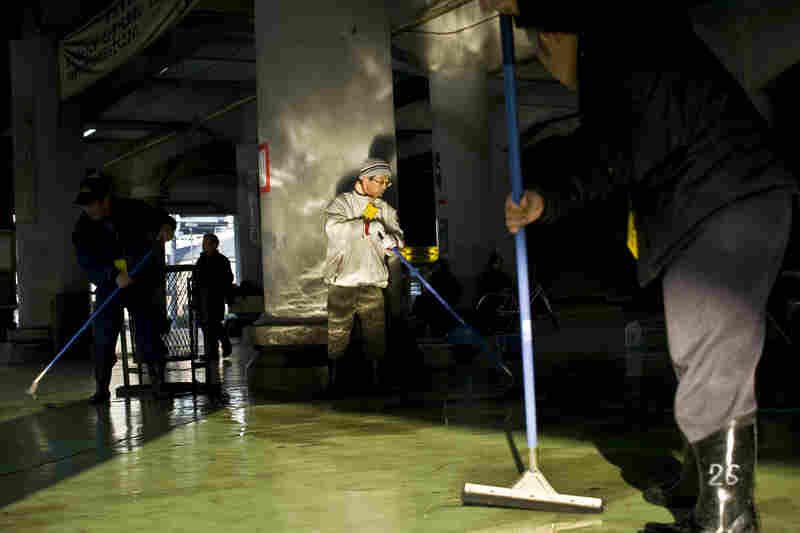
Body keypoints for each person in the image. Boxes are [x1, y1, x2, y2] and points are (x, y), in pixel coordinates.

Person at [485, 2, 798, 532]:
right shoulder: (628, 66)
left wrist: (521, 2)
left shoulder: (625, 36)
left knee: (710, 358)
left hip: (722, 203)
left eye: (541, 44)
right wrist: (548, 200)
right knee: (698, 356)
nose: (544, 59)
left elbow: (611, 149)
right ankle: (705, 490)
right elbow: (609, 149)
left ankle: (727, 519)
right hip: (720, 203)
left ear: (560, 34)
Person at [72, 171, 176, 403]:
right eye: (85, 205)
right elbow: (87, 262)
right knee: (103, 335)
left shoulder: (133, 209)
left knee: (148, 330)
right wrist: (110, 275)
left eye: (92, 204)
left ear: (106, 200)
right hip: (110, 284)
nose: (88, 209)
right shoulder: (83, 228)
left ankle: (158, 384)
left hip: (139, 279)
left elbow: (163, 219)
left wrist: (167, 226)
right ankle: (101, 389)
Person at [324, 158, 404, 394]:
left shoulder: (385, 210)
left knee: (376, 335)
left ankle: (377, 382)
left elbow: (398, 237)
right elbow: (333, 230)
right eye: (380, 181)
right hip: (342, 283)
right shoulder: (342, 204)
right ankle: (334, 382)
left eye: (387, 183)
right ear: (364, 179)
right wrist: (367, 226)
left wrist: (393, 242)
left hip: (373, 282)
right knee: (337, 335)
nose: (383, 187)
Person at [193, 233, 234, 377]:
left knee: (213, 324)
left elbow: (228, 278)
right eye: (203, 243)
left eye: (206, 243)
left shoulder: (221, 260)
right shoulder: (201, 260)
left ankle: (215, 351)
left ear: (214, 245)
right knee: (208, 325)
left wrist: (225, 293)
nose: (204, 246)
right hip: (203, 299)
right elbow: (196, 281)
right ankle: (214, 351)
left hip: (215, 297)